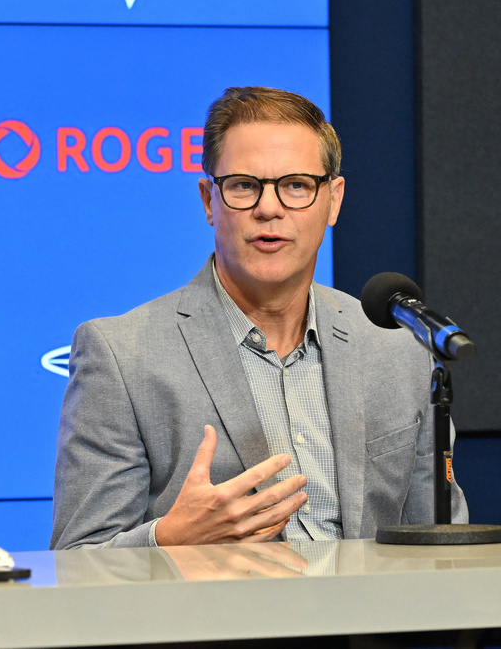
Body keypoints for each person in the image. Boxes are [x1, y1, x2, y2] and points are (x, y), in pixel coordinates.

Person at [51, 86, 468, 549]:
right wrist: (169, 538)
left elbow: (441, 544)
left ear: (333, 199)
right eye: (245, 186)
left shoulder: (395, 346)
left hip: (369, 619)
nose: (269, 209)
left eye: (296, 186)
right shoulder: (122, 356)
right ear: (209, 201)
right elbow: (77, 559)